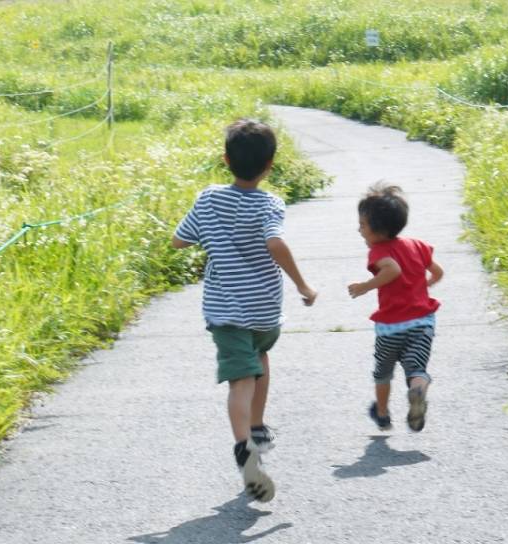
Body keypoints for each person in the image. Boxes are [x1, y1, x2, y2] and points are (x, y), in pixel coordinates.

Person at [172, 119, 317, 502]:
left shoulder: (207, 199)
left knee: (240, 380)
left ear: (225, 159)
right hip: (265, 308)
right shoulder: (270, 203)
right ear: (270, 165)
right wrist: (302, 284)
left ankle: (243, 447)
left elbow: (178, 240)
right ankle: (257, 426)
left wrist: (206, 237)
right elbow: (275, 241)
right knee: (261, 359)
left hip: (226, 310)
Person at [347, 184, 443, 433]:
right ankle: (418, 390)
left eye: (363, 225)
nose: (359, 230)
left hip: (390, 327)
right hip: (422, 322)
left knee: (383, 373)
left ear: (378, 230)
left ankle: (381, 414)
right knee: (416, 369)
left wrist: (366, 286)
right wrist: (424, 285)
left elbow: (392, 269)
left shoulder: (378, 251)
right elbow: (438, 272)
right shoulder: (418, 245)